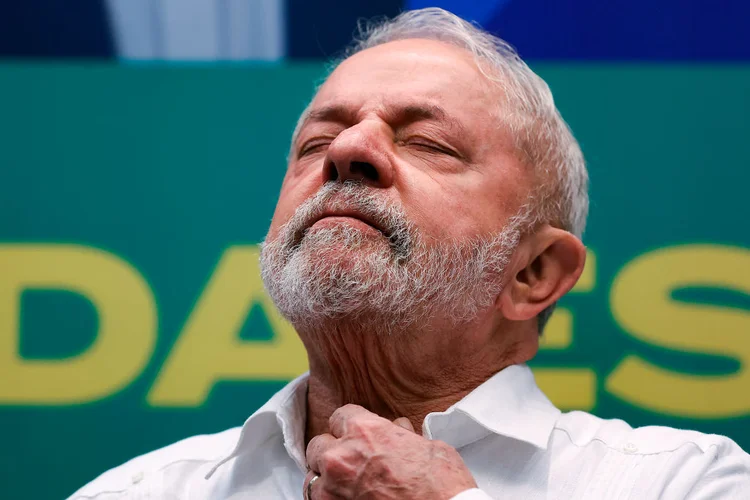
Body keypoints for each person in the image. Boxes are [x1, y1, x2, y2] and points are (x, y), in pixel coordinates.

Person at [68, 7, 750, 500]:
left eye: (428, 144)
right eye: (315, 143)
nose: (347, 152)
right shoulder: (136, 492)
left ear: (533, 273)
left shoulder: (686, 482)